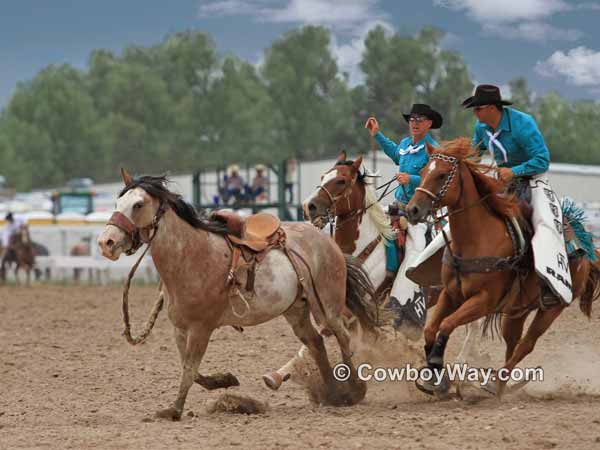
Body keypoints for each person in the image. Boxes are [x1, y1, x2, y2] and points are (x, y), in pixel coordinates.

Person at [463, 84, 570, 307]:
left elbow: (542, 160)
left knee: (543, 223)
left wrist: (514, 171)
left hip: (532, 181)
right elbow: (474, 155)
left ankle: (549, 283)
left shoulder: (523, 124)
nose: (475, 113)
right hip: (502, 184)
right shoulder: (481, 127)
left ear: (492, 108)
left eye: (478, 108)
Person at [365, 103, 443, 338]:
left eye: (419, 119)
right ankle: (381, 279)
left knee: (416, 251)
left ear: (429, 124)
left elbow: (435, 179)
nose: (414, 122)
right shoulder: (405, 144)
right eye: (412, 119)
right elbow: (394, 152)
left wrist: (411, 178)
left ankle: (406, 303)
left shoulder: (433, 150)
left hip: (421, 214)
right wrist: (377, 135)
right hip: (399, 206)